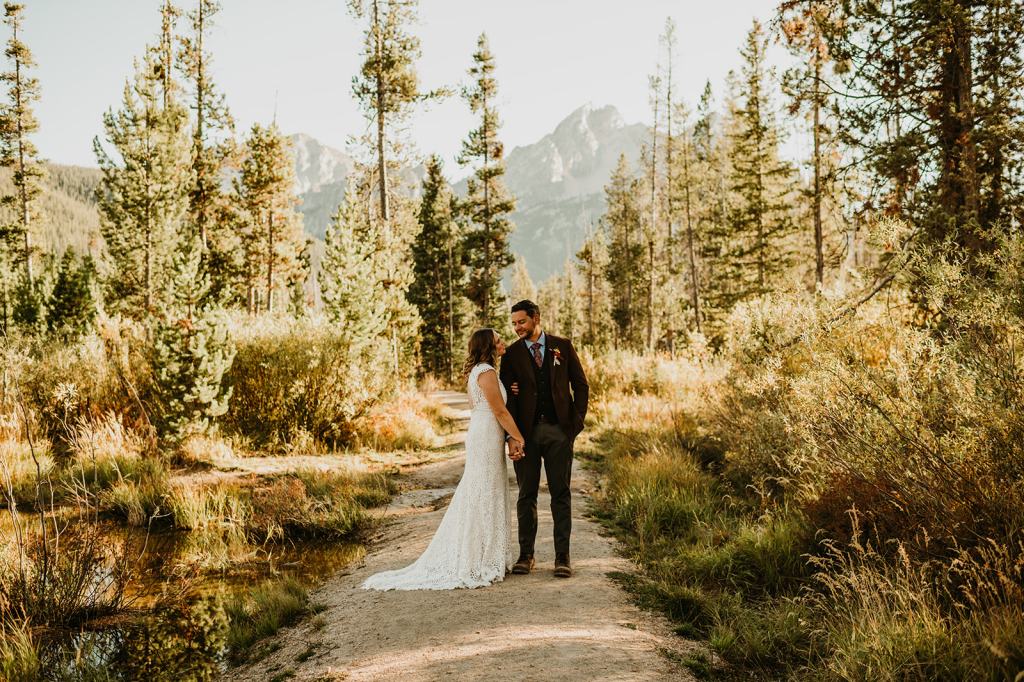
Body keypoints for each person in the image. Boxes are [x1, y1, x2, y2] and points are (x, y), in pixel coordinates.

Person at [360, 329, 525, 590]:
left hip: (484, 432)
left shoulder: (480, 371)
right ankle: (479, 559)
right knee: (483, 492)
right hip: (486, 434)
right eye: (498, 340)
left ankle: (485, 554)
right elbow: (500, 411)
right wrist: (518, 437)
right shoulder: (487, 372)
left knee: (485, 492)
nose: (503, 342)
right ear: (488, 346)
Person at [499, 299, 589, 578]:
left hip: (559, 432)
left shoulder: (562, 345)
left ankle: (563, 557)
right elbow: (506, 399)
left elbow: (581, 385)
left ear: (536, 318)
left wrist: (573, 426)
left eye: (521, 322)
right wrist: (511, 437)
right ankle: (526, 555)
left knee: (560, 494)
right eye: (514, 323)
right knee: (526, 495)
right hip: (525, 435)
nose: (517, 328)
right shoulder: (511, 355)